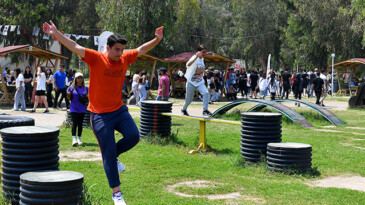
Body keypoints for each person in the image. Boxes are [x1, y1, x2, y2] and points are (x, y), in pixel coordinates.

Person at [43, 20, 163, 205]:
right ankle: (117, 193)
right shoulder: (96, 58)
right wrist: (56, 34)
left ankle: (112, 156)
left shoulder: (124, 58)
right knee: (107, 151)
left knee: (134, 136)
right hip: (99, 114)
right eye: (116, 49)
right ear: (107, 48)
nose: (120, 53)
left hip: (119, 110)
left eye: (122, 49)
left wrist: (157, 39)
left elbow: (140, 49)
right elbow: (75, 45)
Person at [181, 45, 212, 116]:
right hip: (191, 82)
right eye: (203, 52)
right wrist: (196, 57)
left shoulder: (202, 59)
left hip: (199, 81)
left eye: (205, 53)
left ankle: (205, 110)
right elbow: (188, 64)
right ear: (198, 52)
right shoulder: (194, 57)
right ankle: (183, 109)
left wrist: (204, 71)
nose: (204, 54)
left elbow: (199, 68)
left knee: (206, 93)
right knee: (189, 99)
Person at [67, 72, 88, 147]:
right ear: (75, 79)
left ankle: (79, 138)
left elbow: (89, 98)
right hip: (74, 108)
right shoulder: (72, 88)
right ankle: (73, 139)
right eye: (78, 78)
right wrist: (68, 95)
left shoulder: (86, 88)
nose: (80, 79)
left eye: (81, 78)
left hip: (82, 109)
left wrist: (88, 97)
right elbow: (69, 98)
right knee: (75, 123)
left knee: (80, 124)